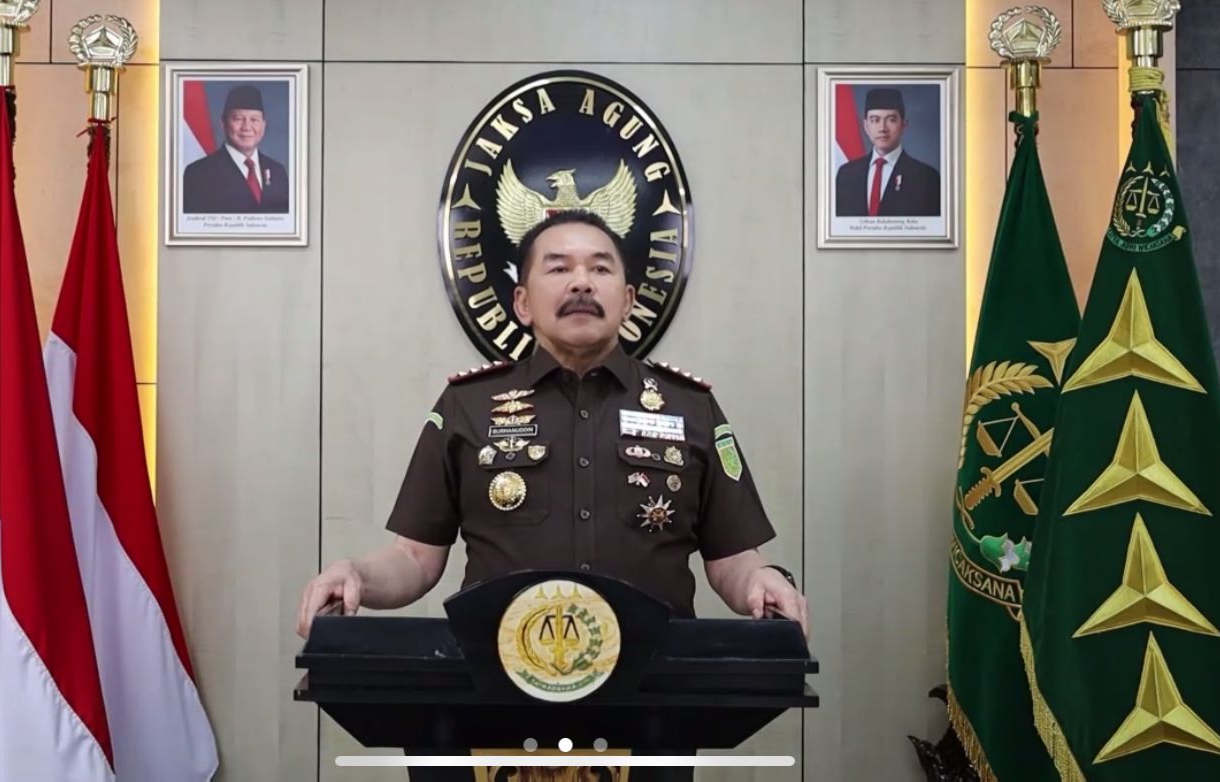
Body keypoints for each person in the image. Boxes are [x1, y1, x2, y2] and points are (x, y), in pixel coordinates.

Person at [297, 210, 807, 781]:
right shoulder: (467, 406)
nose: (581, 282)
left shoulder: (690, 407)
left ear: (628, 299)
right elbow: (415, 558)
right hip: (491, 700)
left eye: (600, 269)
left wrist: (763, 582)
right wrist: (357, 576)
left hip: (651, 702)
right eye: (559, 268)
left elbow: (733, 559)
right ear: (522, 302)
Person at [182, 84, 290, 214]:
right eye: (238, 119)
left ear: (263, 125)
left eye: (254, 120)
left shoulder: (277, 172)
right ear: (223, 123)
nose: (247, 127)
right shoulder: (198, 174)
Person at [835, 87, 941, 217]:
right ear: (866, 126)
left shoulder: (926, 178)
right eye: (875, 120)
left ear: (903, 125)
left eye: (891, 120)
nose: (882, 128)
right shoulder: (846, 174)